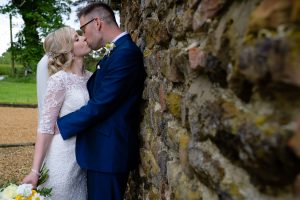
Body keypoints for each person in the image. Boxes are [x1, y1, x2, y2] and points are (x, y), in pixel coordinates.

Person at [57, 2, 146, 199]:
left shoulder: (125, 54)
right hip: (101, 152)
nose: (84, 36)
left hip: (109, 154)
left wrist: (61, 124)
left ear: (96, 22)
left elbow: (101, 105)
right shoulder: (115, 52)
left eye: (83, 29)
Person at [23, 26, 92, 200]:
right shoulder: (59, 80)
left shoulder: (92, 77)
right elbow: (46, 127)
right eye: (77, 39)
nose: (84, 38)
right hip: (63, 157)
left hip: (87, 157)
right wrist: (35, 171)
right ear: (68, 51)